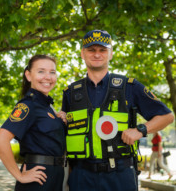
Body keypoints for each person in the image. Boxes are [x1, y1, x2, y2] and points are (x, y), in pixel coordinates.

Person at [62, 30, 174, 191]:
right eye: (91, 50)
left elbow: (167, 116)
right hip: (81, 177)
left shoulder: (130, 86)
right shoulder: (70, 92)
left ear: (111, 54)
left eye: (102, 50)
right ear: (82, 54)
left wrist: (140, 130)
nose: (97, 54)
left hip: (120, 176)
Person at [0, 54, 67, 191]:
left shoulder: (46, 107)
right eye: (41, 71)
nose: (48, 77)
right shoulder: (28, 105)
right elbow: (0, 141)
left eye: (52, 72)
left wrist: (59, 120)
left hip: (55, 177)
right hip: (38, 179)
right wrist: (20, 176)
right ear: (28, 75)